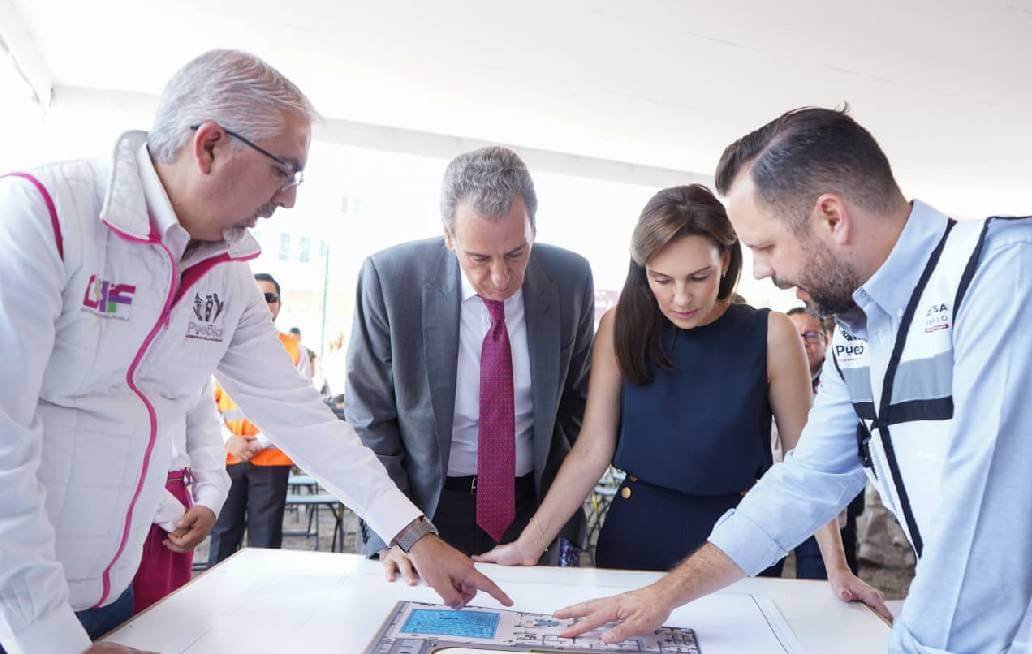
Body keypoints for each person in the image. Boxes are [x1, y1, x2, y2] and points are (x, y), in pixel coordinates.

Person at [0, 49, 508, 654]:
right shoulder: (42, 217)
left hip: (106, 590)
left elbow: (303, 418)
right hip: (21, 612)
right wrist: (51, 639)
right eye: (284, 171)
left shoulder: (227, 275)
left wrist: (413, 534)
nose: (288, 199)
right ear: (211, 145)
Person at [553, 107, 1032, 653]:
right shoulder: (859, 329)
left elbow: (984, 549)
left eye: (765, 247)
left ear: (831, 217)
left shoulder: (1006, 280)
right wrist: (665, 594)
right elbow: (805, 482)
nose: (760, 273)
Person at [476, 185, 879, 603]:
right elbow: (592, 450)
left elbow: (807, 466)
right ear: (642, 269)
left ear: (724, 261)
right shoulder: (620, 326)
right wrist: (528, 546)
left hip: (737, 545)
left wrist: (837, 566)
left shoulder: (773, 334)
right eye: (662, 279)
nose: (681, 298)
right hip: (634, 539)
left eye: (698, 278)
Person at [345, 146, 594, 581]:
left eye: (517, 253)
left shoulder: (570, 279)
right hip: (423, 509)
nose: (501, 277)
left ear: (533, 228)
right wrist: (396, 530)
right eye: (479, 258)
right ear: (449, 236)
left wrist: (550, 521)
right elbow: (371, 421)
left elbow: (577, 405)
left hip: (532, 512)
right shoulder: (391, 280)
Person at [207, 273, 309, 564]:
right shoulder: (218, 341)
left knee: (265, 545)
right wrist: (230, 440)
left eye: (270, 297)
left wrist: (260, 441)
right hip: (228, 456)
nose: (264, 303)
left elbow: (297, 406)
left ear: (280, 304)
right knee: (223, 537)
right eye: (257, 296)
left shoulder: (294, 349)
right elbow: (205, 402)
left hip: (272, 459)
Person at [131, 381, 227, 613]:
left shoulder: (195, 356)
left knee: (167, 614)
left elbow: (204, 435)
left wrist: (209, 502)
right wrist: (173, 514)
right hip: (126, 500)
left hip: (179, 500)